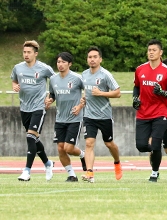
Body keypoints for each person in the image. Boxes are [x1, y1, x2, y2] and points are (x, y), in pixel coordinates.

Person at [133, 39, 167, 182]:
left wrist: (163, 92)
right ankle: (154, 155)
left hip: (161, 113)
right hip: (143, 112)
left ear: (160, 53)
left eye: (154, 50)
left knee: (156, 144)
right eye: (149, 50)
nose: (151, 52)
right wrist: (135, 98)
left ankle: (155, 172)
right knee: (141, 146)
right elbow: (136, 86)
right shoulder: (140, 69)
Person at [11, 40, 56, 182]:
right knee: (34, 139)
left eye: (29, 52)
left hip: (39, 107)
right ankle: (48, 163)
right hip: (24, 108)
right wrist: (15, 86)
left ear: (35, 54)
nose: (26, 54)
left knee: (30, 137)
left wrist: (51, 98)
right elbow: (14, 80)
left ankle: (26, 171)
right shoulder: (17, 68)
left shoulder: (44, 68)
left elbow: (56, 82)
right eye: (24, 52)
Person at [81, 46, 123, 183]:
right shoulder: (84, 75)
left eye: (95, 57)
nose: (92, 59)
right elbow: (84, 92)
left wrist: (101, 93)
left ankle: (117, 162)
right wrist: (82, 100)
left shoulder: (105, 75)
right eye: (90, 57)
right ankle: (90, 173)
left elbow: (118, 93)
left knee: (109, 144)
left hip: (104, 116)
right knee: (89, 143)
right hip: (89, 116)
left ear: (100, 59)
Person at [46, 52, 86, 182]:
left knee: (68, 148)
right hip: (60, 119)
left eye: (63, 62)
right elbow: (52, 94)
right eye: (58, 62)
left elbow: (88, 93)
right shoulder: (53, 79)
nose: (60, 64)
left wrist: (80, 106)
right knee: (60, 148)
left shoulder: (77, 78)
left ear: (69, 64)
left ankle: (82, 155)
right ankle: (72, 175)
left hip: (75, 118)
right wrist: (49, 101)